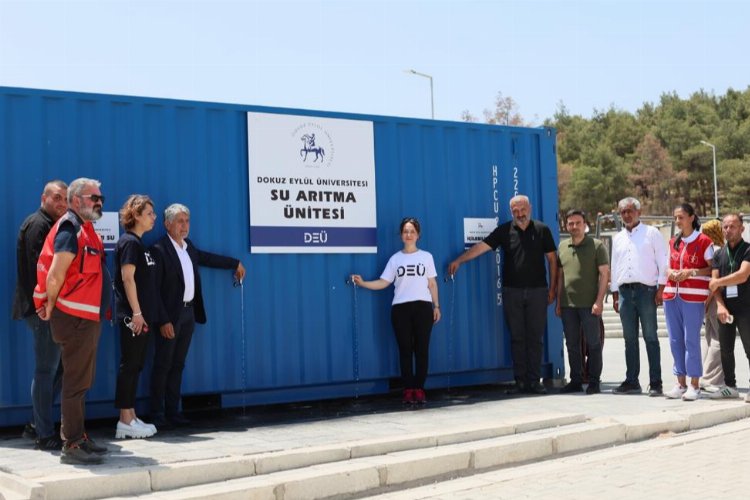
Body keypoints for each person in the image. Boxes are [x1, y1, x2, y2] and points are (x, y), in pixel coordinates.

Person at [34, 177, 110, 464]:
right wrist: (51, 307)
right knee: (75, 383)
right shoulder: (71, 228)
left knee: (81, 381)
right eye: (94, 198)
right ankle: (73, 444)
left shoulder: (86, 228)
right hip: (74, 318)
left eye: (101, 198)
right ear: (76, 200)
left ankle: (79, 437)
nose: (100, 202)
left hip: (85, 318)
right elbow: (55, 273)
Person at [448, 194, 557, 394]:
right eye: (515, 210)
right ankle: (520, 382)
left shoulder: (542, 230)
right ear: (511, 211)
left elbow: (552, 260)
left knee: (535, 337)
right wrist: (460, 260)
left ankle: (534, 381)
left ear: (529, 208)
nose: (519, 214)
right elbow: (481, 247)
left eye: (522, 209)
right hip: (512, 292)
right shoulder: (504, 231)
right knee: (517, 337)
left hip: (537, 292)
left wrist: (552, 290)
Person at [150, 203, 246, 428]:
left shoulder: (188, 247)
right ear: (167, 224)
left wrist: (234, 263)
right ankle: (157, 414)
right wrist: (163, 320)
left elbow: (207, 258)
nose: (184, 226)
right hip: (170, 317)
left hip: (188, 314)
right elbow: (154, 291)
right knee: (163, 364)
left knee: (178, 364)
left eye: (187, 221)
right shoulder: (159, 249)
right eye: (180, 221)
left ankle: (173, 411)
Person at [351, 217, 441, 404]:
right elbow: (384, 282)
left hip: (423, 307)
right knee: (405, 350)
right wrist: (364, 283)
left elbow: (432, 283)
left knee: (422, 350)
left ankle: (420, 389)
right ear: (401, 235)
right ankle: (408, 389)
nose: (409, 235)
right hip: (400, 309)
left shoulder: (426, 257)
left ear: (418, 235)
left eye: (412, 231)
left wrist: (436, 306)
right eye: (405, 231)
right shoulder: (395, 259)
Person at [12, 180, 68, 450]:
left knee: (60, 368)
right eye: (57, 197)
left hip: (49, 307)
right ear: (43, 197)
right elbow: (41, 272)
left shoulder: (51, 225)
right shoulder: (38, 225)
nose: (62, 203)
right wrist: (47, 305)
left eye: (65, 199)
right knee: (46, 369)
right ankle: (44, 434)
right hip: (43, 309)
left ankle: (37, 422)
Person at [610, 197, 669, 396]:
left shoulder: (651, 233)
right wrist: (615, 294)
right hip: (625, 292)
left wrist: (661, 289)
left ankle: (655, 383)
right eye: (623, 212)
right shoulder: (617, 238)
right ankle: (632, 381)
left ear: (638, 212)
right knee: (629, 339)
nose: (627, 215)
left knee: (651, 338)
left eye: (630, 211)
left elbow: (663, 262)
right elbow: (614, 266)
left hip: (647, 291)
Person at [113, 195, 159, 439]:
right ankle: (124, 419)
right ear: (136, 215)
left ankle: (131, 416)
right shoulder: (129, 243)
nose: (154, 218)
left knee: (136, 364)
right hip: (133, 317)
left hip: (142, 317)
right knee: (130, 364)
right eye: (149, 213)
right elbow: (127, 278)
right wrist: (137, 313)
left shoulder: (140, 244)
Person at [662, 203, 713, 401]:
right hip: (671, 296)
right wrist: (671, 273)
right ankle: (680, 383)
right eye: (675, 218)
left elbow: (711, 268)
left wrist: (691, 272)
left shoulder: (703, 241)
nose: (677, 221)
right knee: (675, 340)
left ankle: (695, 385)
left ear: (692, 217)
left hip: (693, 297)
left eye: (681, 217)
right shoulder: (673, 242)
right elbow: (666, 267)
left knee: (691, 340)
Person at [556, 210, 610, 395]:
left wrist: (599, 301)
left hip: (590, 305)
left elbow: (604, 274)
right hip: (567, 305)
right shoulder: (562, 247)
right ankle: (576, 380)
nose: (574, 226)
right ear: (566, 226)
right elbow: (560, 276)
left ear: (584, 224)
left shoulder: (596, 246)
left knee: (593, 344)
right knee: (572, 344)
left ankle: (594, 381)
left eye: (578, 223)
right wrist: (557, 302)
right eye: (570, 223)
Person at [708, 213, 750, 402]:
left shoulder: (748, 250)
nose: (728, 230)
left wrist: (717, 282)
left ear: (742, 228)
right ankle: (730, 387)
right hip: (726, 308)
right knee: (726, 348)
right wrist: (719, 306)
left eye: (732, 226)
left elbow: (742, 275)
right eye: (725, 226)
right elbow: (715, 286)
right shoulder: (718, 254)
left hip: (746, 307)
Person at [700, 219, 725, 391]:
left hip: (711, 300)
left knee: (712, 339)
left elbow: (711, 281)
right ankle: (710, 377)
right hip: (716, 300)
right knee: (717, 338)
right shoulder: (720, 250)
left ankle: (706, 376)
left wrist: (704, 302)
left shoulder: (710, 251)